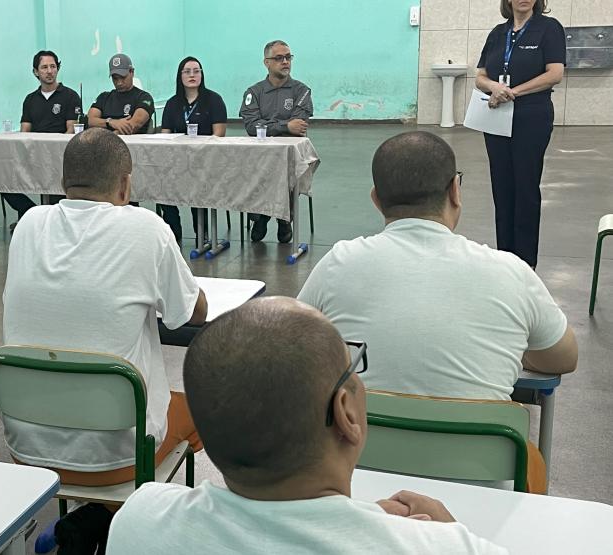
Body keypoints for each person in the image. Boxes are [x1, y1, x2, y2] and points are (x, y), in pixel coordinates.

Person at [108, 297, 506, 554]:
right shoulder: (443, 547)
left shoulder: (140, 521)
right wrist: (441, 535)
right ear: (346, 413)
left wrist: (359, 518)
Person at [298, 131, 577, 492]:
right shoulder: (510, 271)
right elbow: (563, 357)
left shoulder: (339, 262)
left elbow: (299, 346)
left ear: (376, 200)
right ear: (455, 191)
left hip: (361, 480)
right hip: (484, 489)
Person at [1, 128, 207, 552]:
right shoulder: (146, 229)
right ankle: (127, 528)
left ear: (63, 183)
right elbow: (191, 313)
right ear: (126, 183)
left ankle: (88, 522)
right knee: (195, 411)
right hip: (120, 455)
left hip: (26, 447)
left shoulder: (28, 225)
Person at [476, 0, 565, 268]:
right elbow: (480, 75)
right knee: (501, 187)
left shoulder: (548, 29)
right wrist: (493, 86)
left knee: (525, 187)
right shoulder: (497, 33)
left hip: (531, 117)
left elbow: (554, 74)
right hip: (497, 118)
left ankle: (525, 263)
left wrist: (512, 92)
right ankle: (505, 258)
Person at [239, 40, 313, 244]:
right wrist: (284, 126)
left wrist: (270, 125)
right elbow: (251, 127)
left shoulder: (302, 91)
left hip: (289, 154)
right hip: (259, 155)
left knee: (285, 168)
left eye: (288, 57)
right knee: (256, 168)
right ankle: (274, 216)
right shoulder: (254, 92)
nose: (285, 62)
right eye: (279, 58)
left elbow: (298, 127)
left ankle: (270, 216)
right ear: (266, 63)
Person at [3, 50, 81, 229]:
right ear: (35, 72)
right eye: (44, 67)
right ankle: (30, 212)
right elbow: (25, 131)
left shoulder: (70, 96)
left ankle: (53, 220)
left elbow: (71, 129)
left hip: (59, 156)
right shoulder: (30, 100)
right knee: (3, 177)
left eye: (53, 67)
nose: (49, 71)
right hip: (33, 155)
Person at [158, 56, 228, 243]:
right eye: (187, 71)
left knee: (198, 183)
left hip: (205, 160)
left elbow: (219, 134)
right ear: (180, 76)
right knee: (160, 183)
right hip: (178, 161)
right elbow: (165, 135)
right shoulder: (172, 103)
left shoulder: (214, 100)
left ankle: (202, 233)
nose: (192, 75)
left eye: (196, 71)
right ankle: (173, 229)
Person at [87, 53, 155, 135]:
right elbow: (90, 120)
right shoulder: (104, 97)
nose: (119, 83)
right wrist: (111, 122)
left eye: (123, 77)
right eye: (115, 78)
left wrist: (107, 139)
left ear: (132, 72)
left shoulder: (144, 98)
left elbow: (132, 126)